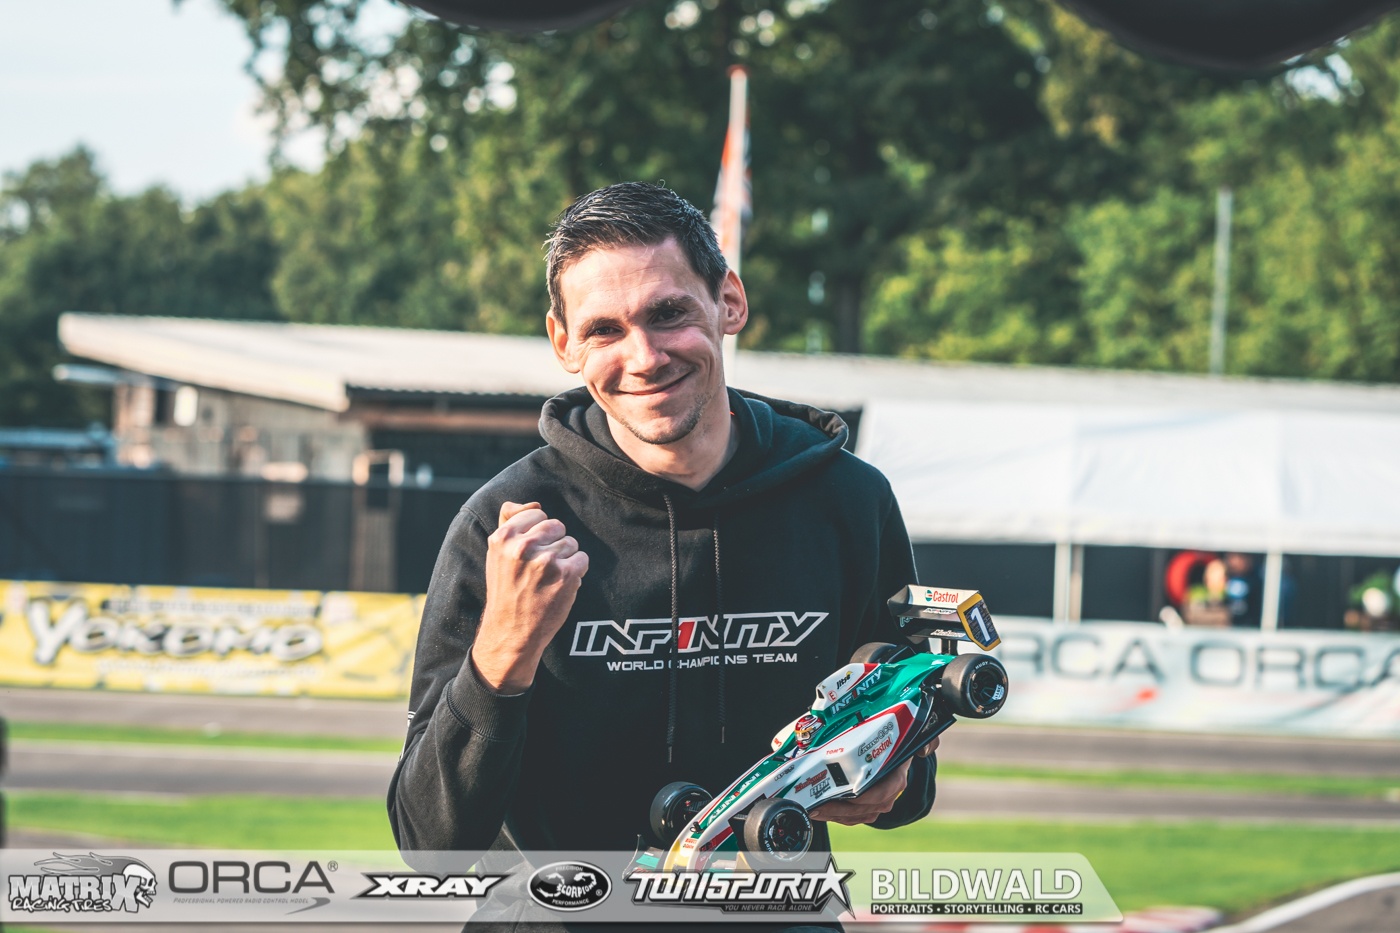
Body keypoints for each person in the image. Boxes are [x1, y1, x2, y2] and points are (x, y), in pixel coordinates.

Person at [387, 183, 936, 870]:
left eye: (668, 313)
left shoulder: (848, 499)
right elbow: (428, 844)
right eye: (604, 330)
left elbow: (911, 771)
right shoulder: (507, 527)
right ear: (564, 342)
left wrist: (893, 771)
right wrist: (504, 649)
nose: (644, 356)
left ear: (729, 301)